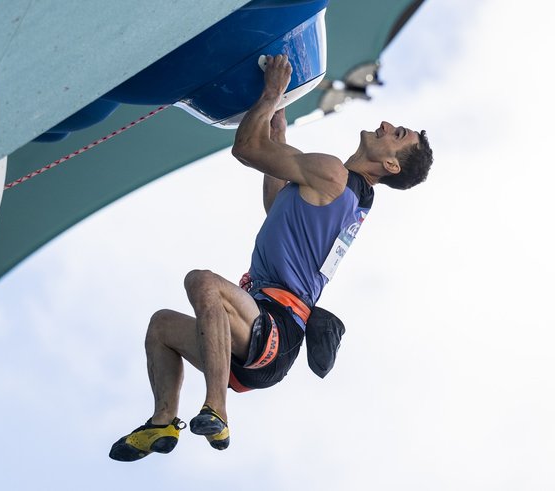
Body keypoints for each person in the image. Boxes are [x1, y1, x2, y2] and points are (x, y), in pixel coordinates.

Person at [109, 54, 433, 461]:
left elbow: (245, 148)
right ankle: (161, 423)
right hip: (262, 339)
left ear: (390, 163)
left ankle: (216, 410)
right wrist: (277, 129)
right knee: (162, 328)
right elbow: (277, 207)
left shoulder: (334, 175)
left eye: (397, 132)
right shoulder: (348, 195)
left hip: (275, 330)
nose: (386, 124)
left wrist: (271, 94)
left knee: (203, 282)